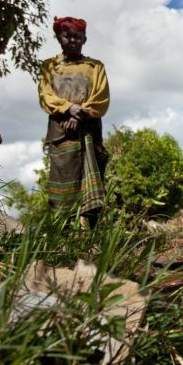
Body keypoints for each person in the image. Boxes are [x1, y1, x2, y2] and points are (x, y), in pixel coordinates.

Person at [37, 17, 110, 227]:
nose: (72, 40)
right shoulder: (49, 66)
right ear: (59, 38)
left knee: (93, 193)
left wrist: (79, 114)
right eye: (67, 36)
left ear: (84, 39)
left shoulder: (95, 67)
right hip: (61, 136)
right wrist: (69, 108)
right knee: (62, 194)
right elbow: (45, 95)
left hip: (89, 133)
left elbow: (101, 98)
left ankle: (93, 242)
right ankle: (63, 242)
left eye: (77, 36)